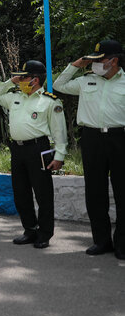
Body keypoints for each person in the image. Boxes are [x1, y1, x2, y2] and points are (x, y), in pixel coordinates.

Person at [53, 39, 125, 259]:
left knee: (123, 191)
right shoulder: (85, 81)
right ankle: (101, 241)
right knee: (95, 191)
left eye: (99, 60)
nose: (94, 64)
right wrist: (76, 65)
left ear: (114, 61)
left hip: (120, 138)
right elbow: (59, 85)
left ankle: (122, 244)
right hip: (92, 138)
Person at [0, 60, 67, 249]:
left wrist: (59, 155)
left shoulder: (50, 101)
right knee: (21, 192)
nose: (19, 80)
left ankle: (44, 233)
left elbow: (59, 131)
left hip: (38, 148)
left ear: (34, 80)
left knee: (43, 193)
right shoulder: (15, 97)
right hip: (17, 150)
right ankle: (30, 229)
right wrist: (11, 82)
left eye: (23, 77)